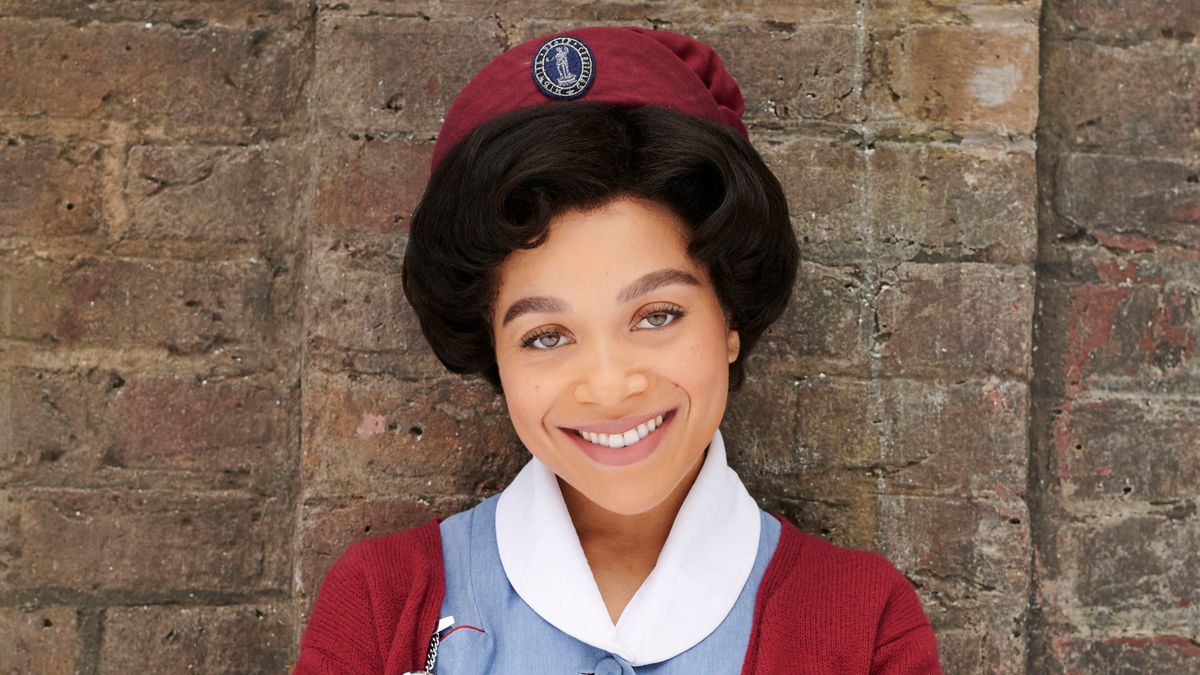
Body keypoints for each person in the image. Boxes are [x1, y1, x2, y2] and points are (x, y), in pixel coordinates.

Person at [294, 26, 942, 675]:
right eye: (546, 336)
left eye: (657, 315)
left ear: (731, 318)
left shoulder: (865, 624)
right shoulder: (382, 607)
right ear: (494, 350)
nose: (607, 385)